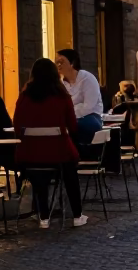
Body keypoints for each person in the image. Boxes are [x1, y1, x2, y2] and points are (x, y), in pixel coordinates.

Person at [13, 58, 86, 229]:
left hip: (30, 154)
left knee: (38, 176)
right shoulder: (62, 97)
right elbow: (73, 126)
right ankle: (77, 215)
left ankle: (43, 217)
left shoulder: (24, 97)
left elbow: (17, 126)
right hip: (59, 153)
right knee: (70, 175)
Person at [55, 49, 104, 145]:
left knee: (81, 126)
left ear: (72, 63)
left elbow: (88, 106)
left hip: (90, 117)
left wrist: (69, 111)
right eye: (57, 62)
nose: (58, 65)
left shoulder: (87, 79)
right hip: (69, 119)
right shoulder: (60, 83)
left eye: (61, 62)